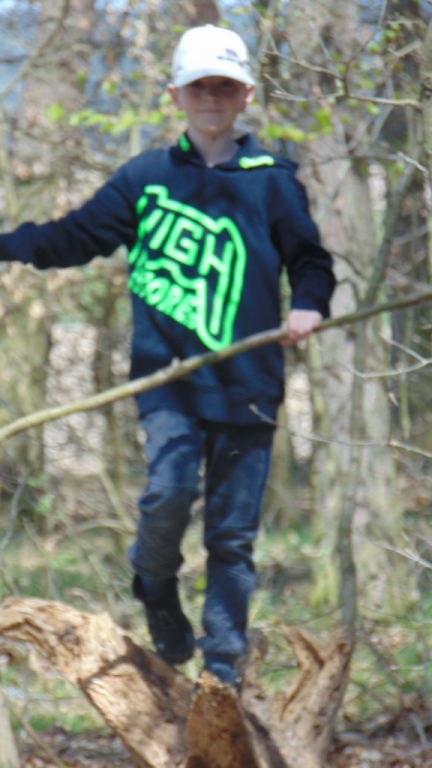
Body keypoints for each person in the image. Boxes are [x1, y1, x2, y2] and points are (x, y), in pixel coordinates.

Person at [0, 24, 335, 687]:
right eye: (198, 86)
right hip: (168, 382)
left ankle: (222, 673)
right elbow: (73, 237)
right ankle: (154, 581)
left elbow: (311, 261)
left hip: (249, 383)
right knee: (169, 489)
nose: (211, 97)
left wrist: (309, 304)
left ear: (246, 95)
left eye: (224, 86)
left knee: (231, 537)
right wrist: (7, 246)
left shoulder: (273, 181)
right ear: (175, 94)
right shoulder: (146, 178)